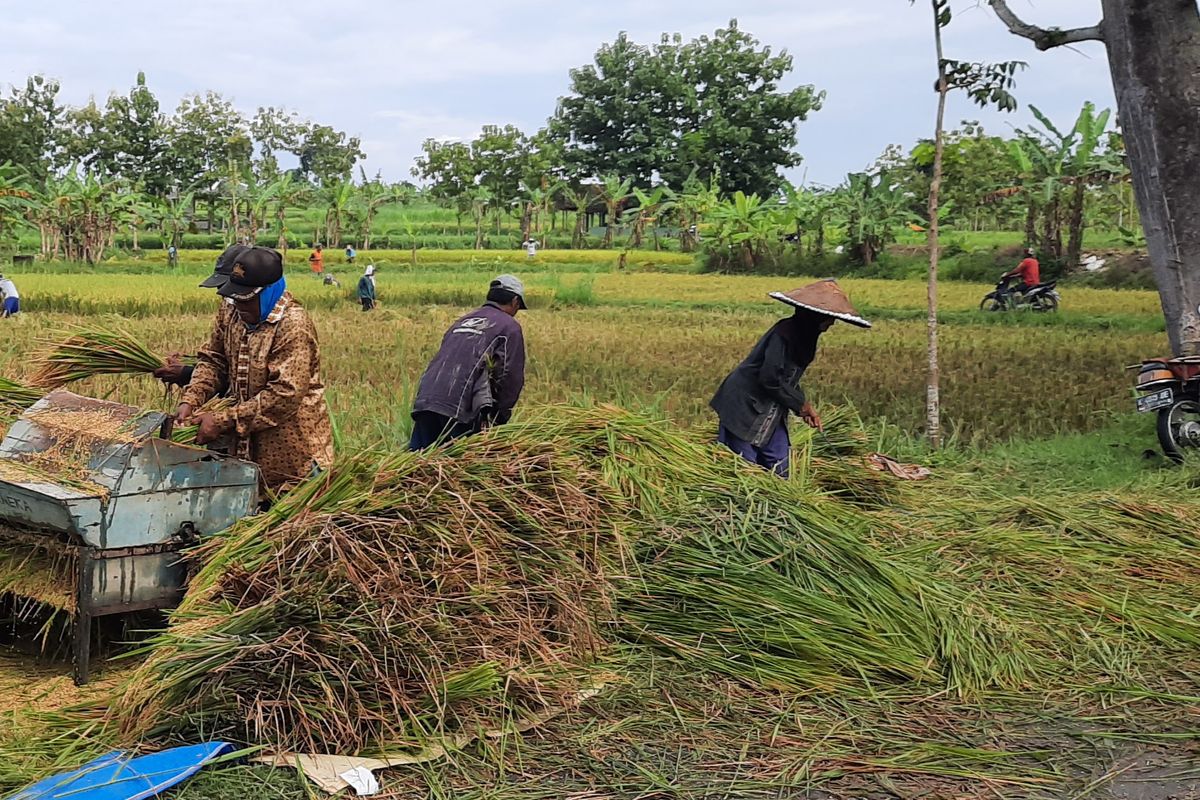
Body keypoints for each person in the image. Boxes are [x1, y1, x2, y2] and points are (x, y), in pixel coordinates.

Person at [166, 246, 334, 494]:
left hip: (294, 459)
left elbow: (284, 395)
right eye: (235, 297)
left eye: (247, 299)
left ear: (269, 292)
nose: (238, 305)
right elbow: (214, 360)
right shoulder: (233, 310)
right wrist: (190, 400)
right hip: (247, 455)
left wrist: (223, 419)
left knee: (287, 528)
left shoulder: (293, 325)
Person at [710, 279, 870, 477]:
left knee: (781, 466)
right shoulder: (784, 333)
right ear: (814, 316)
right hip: (744, 404)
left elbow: (786, 378)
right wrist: (800, 404)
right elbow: (770, 377)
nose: (831, 323)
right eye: (828, 318)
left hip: (770, 406)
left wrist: (804, 405)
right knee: (743, 469)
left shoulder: (805, 335)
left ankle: (779, 501)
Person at [409, 274, 527, 450]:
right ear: (515, 301)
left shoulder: (462, 321)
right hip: (461, 408)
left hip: (427, 400)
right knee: (458, 470)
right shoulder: (509, 327)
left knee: (417, 468)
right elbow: (508, 376)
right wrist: (498, 417)